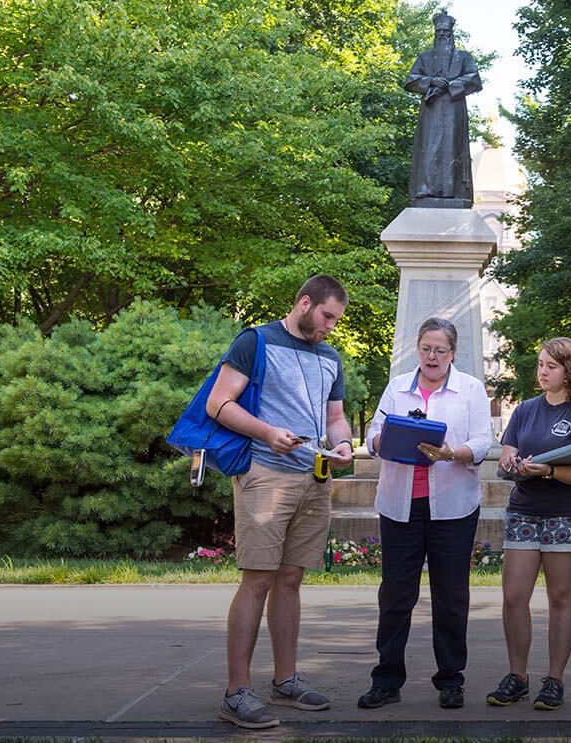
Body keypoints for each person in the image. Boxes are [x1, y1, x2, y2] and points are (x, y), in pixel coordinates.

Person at [206, 275, 354, 730]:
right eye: (327, 316)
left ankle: (285, 681)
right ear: (305, 303)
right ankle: (237, 691)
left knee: (290, 579)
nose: (331, 326)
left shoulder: (330, 356)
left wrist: (344, 444)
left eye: (336, 320)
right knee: (259, 579)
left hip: (315, 477)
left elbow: (335, 416)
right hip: (266, 474)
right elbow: (218, 403)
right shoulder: (256, 342)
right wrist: (269, 432)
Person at [359, 318, 493, 710]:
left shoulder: (470, 389)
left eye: (440, 350)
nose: (432, 357)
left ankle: (451, 679)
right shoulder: (398, 387)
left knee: (451, 596)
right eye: (425, 349)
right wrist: (386, 439)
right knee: (395, 595)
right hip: (400, 505)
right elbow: (373, 436)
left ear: (453, 353)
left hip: (452, 507)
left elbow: (483, 441)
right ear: (416, 349)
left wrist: (453, 452)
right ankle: (386, 679)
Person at [486, 337, 571, 711]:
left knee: (559, 597)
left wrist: (551, 470)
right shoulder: (524, 410)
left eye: (550, 366)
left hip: (567, 513)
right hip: (524, 508)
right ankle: (517, 677)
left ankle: (554, 680)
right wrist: (511, 463)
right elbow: (508, 451)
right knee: (514, 596)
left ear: (570, 370)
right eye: (539, 364)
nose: (541, 372)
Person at [404, 10, 482, 205]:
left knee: (452, 148)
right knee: (429, 146)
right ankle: (425, 189)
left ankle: (451, 191)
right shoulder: (425, 57)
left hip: (454, 110)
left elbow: (474, 79)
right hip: (431, 109)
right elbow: (410, 80)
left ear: (451, 33)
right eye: (438, 31)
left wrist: (451, 85)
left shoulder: (462, 57)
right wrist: (431, 81)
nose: (441, 34)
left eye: (445, 31)